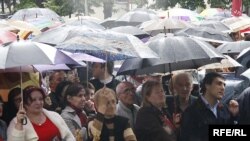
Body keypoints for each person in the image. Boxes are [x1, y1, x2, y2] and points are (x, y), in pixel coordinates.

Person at [179, 72, 239, 141]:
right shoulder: (191, 111)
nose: (223, 88)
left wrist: (234, 115)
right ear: (207, 85)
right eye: (219, 84)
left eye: (224, 85)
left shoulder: (224, 108)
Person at [7, 85, 75, 141]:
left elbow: (69, 136)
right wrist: (19, 124)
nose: (38, 103)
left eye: (41, 99)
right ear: (24, 103)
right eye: (33, 100)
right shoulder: (15, 122)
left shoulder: (54, 115)